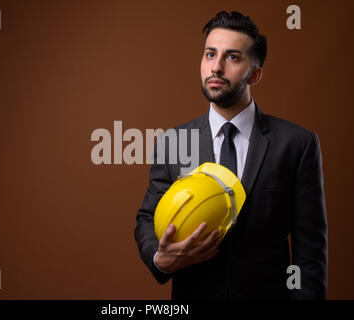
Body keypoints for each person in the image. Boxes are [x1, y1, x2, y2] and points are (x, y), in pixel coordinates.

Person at [134, 10, 327, 300]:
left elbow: (309, 250)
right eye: (210, 54)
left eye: (232, 57)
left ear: (256, 73)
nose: (216, 67)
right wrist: (160, 259)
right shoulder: (173, 141)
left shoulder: (298, 144)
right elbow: (147, 217)